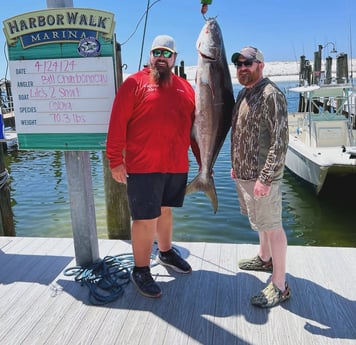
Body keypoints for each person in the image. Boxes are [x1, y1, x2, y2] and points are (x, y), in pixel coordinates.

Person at [106, 35, 200, 298]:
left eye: (167, 53)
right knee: (145, 219)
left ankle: (166, 252)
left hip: (176, 165)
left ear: (174, 58)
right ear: (150, 55)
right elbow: (116, 125)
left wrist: (205, 164)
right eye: (157, 51)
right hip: (143, 166)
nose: (161, 56)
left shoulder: (186, 88)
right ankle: (141, 269)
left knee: (166, 211)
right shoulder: (134, 84)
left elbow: (195, 132)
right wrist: (115, 160)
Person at [230, 46, 291, 308]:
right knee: (261, 223)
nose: (242, 67)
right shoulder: (244, 93)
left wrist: (265, 178)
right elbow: (241, 132)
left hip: (262, 177)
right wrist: (235, 165)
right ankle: (264, 257)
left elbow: (280, 142)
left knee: (273, 225)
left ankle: (280, 285)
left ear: (260, 65)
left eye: (248, 63)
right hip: (244, 175)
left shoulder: (270, 94)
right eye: (239, 64)